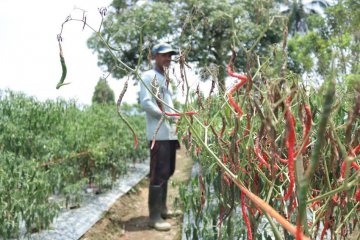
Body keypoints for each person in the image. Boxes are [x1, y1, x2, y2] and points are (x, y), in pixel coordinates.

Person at [139, 42, 180, 231]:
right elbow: (146, 103)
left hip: (169, 133)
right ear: (154, 57)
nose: (167, 59)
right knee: (158, 173)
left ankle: (162, 208)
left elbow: (168, 104)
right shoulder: (148, 76)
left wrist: (176, 116)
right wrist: (165, 116)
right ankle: (154, 217)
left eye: (170, 55)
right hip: (158, 133)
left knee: (169, 170)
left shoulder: (165, 78)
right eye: (163, 55)